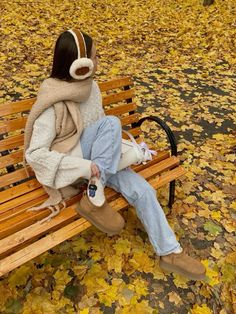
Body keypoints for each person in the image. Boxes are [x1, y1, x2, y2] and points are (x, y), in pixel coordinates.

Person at [23, 29, 206, 280]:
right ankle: (94, 197)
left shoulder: (91, 88)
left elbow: (99, 135)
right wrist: (85, 169)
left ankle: (169, 252)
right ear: (80, 65)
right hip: (75, 167)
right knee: (111, 123)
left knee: (143, 191)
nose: (98, 62)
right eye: (95, 58)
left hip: (100, 166)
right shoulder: (52, 103)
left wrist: (126, 152)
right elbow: (35, 154)